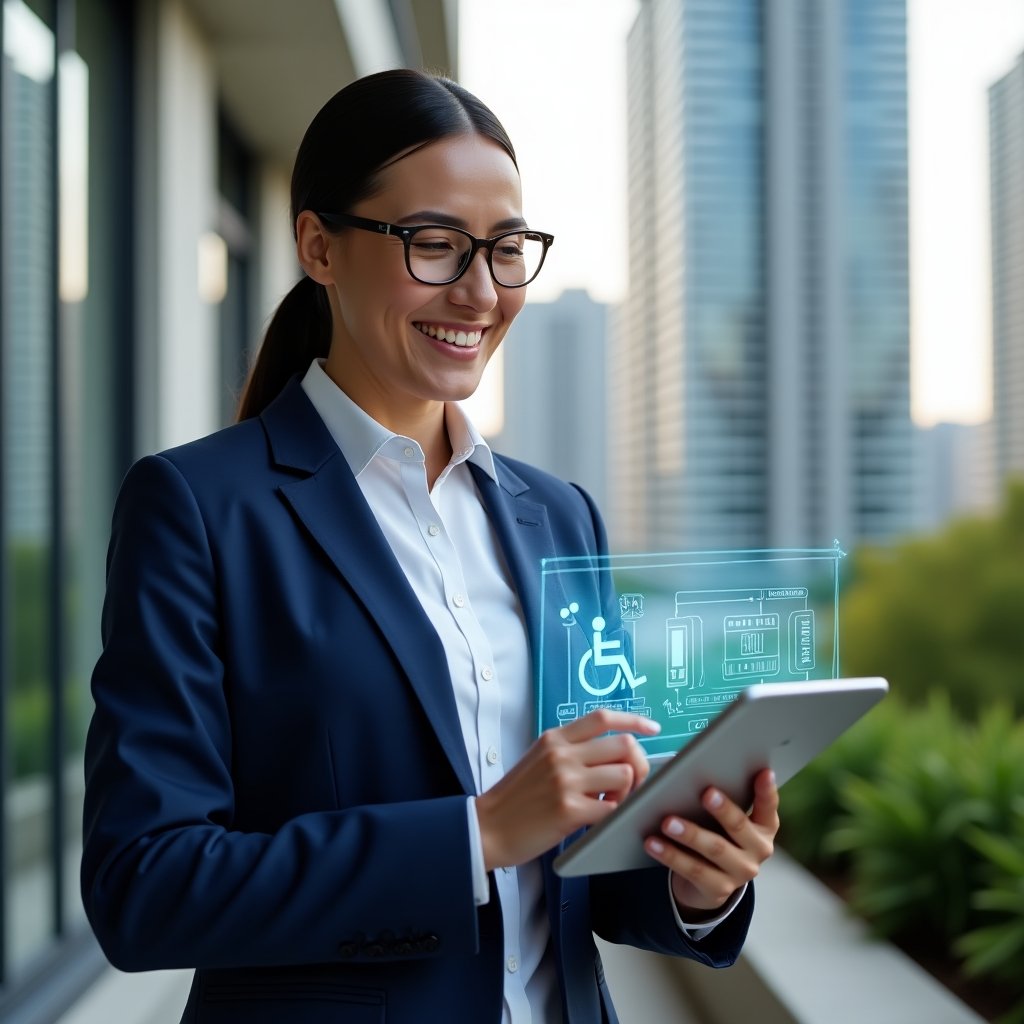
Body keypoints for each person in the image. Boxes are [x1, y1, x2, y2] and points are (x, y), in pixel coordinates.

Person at [81, 68, 779, 1023]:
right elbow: (144, 887)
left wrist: (699, 883)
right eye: (437, 245)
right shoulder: (198, 508)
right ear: (319, 247)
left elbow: (588, 865)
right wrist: (476, 834)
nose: (481, 291)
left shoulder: (558, 515)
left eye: (505, 249)